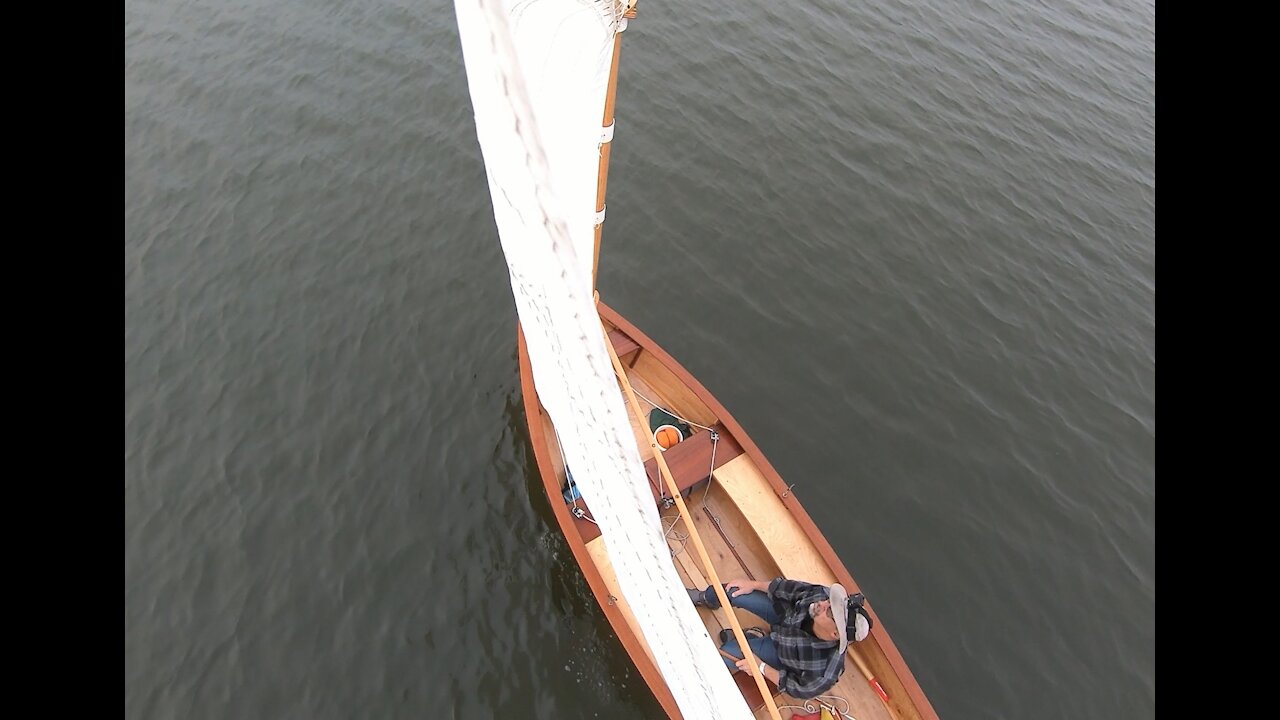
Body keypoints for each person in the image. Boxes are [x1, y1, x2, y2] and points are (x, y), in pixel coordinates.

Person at [687, 577, 872, 699]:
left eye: (830, 610)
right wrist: (754, 585)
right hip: (783, 618)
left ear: (835, 634)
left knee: (725, 655)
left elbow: (797, 688)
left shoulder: (825, 671)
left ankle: (754, 637)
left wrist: (760, 667)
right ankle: (704, 598)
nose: (823, 603)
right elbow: (787, 588)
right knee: (732, 590)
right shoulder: (821, 597)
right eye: (830, 601)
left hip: (781, 652)